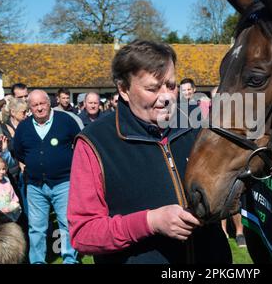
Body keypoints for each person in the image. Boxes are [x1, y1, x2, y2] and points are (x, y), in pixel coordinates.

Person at [68, 40, 231, 264]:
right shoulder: (94, 142)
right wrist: (150, 222)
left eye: (171, 85)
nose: (167, 97)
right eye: (152, 88)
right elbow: (83, 233)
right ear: (123, 89)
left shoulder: (198, 124)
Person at [13, 90, 81, 264]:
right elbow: (19, 152)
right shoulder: (24, 127)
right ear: (30, 108)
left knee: (66, 224)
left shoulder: (66, 121)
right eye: (35, 105)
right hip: (35, 185)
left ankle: (69, 260)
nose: (39, 108)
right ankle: (37, 261)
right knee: (36, 228)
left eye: (42, 103)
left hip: (63, 183)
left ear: (49, 103)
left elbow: (80, 144)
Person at [0, 156, 21, 222]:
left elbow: (14, 199)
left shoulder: (6, 182)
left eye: (3, 169)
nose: (2, 172)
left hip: (8, 218)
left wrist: (12, 207)